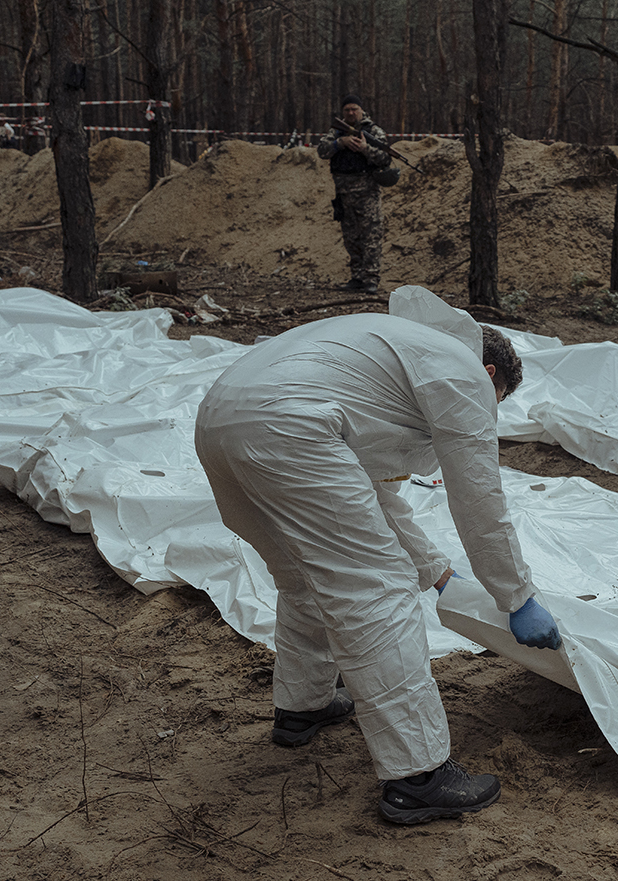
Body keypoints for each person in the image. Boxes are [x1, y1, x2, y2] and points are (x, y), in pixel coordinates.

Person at [194, 289, 563, 825]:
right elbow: (478, 496)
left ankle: (304, 706)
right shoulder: (461, 373)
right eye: (498, 399)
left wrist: (436, 571)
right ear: (490, 374)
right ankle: (418, 776)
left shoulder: (392, 350)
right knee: (376, 588)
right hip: (291, 426)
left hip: (217, 421)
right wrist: (517, 595)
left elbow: (375, 493)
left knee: (302, 577)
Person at [317, 96, 392, 295]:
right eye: (347, 110)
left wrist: (365, 149)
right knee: (351, 238)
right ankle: (357, 277)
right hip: (343, 193)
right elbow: (322, 151)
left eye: (354, 109)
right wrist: (340, 143)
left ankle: (370, 279)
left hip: (367, 193)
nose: (351, 113)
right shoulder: (335, 132)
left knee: (371, 237)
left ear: (361, 110)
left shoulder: (374, 132)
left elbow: (385, 159)